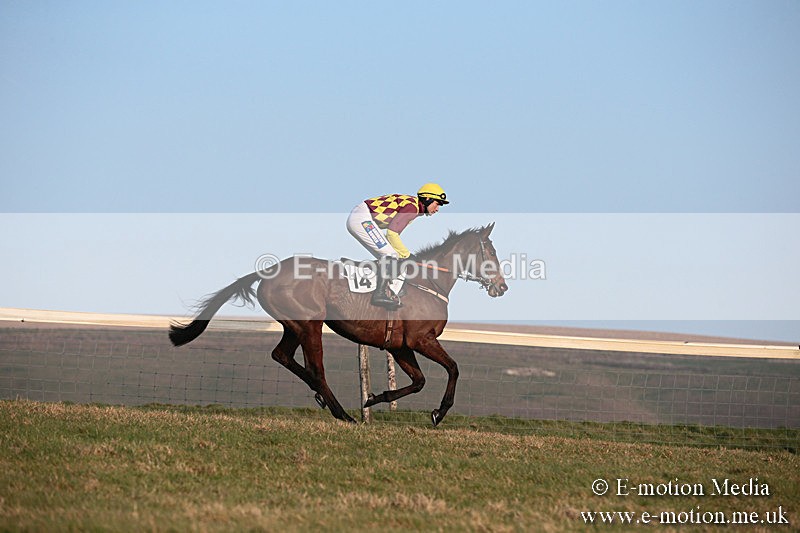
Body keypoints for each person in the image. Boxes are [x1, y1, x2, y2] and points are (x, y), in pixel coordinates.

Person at [346, 183, 448, 309]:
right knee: (391, 255)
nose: (437, 209)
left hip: (362, 217)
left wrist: (404, 256)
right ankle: (379, 294)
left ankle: (379, 288)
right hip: (362, 218)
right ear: (427, 199)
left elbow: (393, 235)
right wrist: (408, 256)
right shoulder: (412, 207)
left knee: (391, 256)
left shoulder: (413, 207)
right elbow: (392, 234)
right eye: (437, 203)